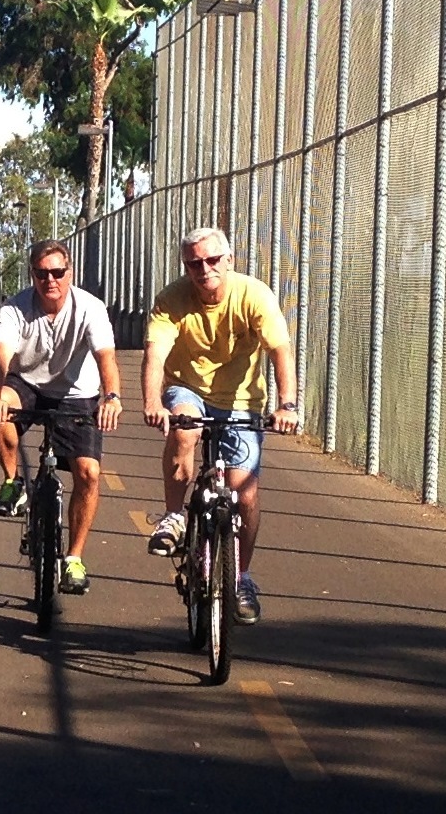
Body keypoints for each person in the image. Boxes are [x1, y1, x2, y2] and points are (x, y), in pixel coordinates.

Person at [142, 226, 300, 625]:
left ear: (229, 260)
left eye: (213, 260)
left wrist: (288, 404)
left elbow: (280, 349)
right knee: (185, 428)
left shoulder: (253, 294)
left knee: (243, 496)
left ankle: (241, 577)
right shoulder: (172, 299)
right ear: (186, 266)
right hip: (187, 388)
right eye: (195, 263)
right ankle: (175, 515)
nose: (205, 269)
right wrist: (151, 402)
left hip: (243, 403)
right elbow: (155, 354)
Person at [0, 238, 121, 595]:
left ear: (69, 272)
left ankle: (73, 558)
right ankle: (13, 482)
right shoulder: (15, 308)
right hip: (27, 381)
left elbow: (106, 358)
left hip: (77, 393)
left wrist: (112, 397)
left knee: (89, 473)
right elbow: (1, 356)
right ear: (33, 275)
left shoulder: (89, 308)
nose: (51, 280)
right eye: (42, 273)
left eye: (58, 272)